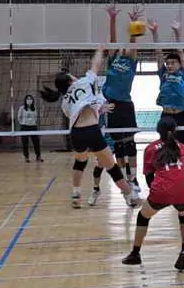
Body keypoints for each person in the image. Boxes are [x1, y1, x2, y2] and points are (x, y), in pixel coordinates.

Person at [39, 45, 140, 209]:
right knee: (111, 166)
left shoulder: (64, 102)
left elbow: (79, 110)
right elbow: (96, 65)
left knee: (80, 162)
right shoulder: (84, 82)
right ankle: (130, 195)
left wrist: (99, 107)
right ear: (71, 79)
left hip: (76, 134)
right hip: (92, 130)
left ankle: (76, 194)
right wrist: (100, 50)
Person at [122, 119, 184, 271]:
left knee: (143, 216)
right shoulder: (183, 147)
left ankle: (135, 253)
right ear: (175, 130)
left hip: (162, 190)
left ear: (158, 131)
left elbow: (149, 177)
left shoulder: (151, 148)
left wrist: (156, 195)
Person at [103, 4, 141, 190]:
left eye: (127, 47)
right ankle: (124, 177)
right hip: (112, 105)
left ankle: (133, 178)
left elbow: (133, 44)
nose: (125, 47)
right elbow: (112, 40)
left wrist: (134, 24)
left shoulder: (131, 62)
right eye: (122, 47)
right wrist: (112, 19)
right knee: (118, 144)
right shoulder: (113, 59)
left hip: (126, 105)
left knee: (130, 143)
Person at [149, 18, 184, 149]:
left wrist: (177, 33)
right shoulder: (164, 74)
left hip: (181, 115)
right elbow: (158, 53)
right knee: (166, 147)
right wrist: (154, 33)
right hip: (166, 115)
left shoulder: (183, 73)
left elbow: (180, 52)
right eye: (168, 63)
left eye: (173, 63)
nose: (169, 65)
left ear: (179, 64)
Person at [90, 113, 115, 206]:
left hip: (117, 140)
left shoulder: (116, 110)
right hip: (103, 142)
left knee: (124, 165)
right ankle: (96, 189)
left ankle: (129, 193)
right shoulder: (97, 112)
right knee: (100, 165)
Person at [18, 94, 43, 163]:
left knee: (36, 142)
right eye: (28, 99)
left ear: (32, 100)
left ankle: (38, 156)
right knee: (25, 143)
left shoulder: (34, 108)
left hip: (33, 126)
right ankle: (26, 157)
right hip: (24, 127)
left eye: (30, 99)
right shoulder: (22, 108)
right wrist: (22, 123)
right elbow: (19, 117)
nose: (29, 100)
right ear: (25, 100)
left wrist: (33, 122)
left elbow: (36, 117)